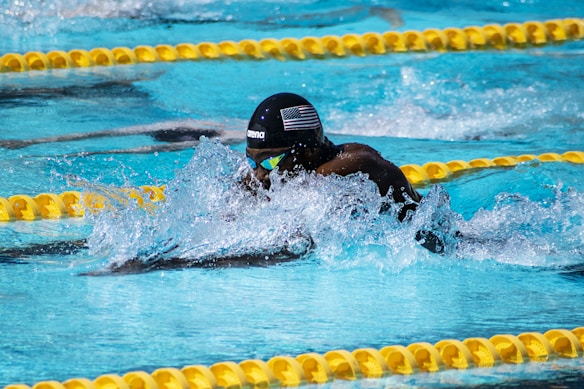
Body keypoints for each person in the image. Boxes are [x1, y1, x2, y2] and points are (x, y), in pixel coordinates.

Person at [245, 92, 445, 253]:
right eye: (252, 161)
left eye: (270, 162)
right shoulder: (266, 174)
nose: (260, 174)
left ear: (308, 151)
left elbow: (296, 247)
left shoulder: (347, 168)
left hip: (435, 244)